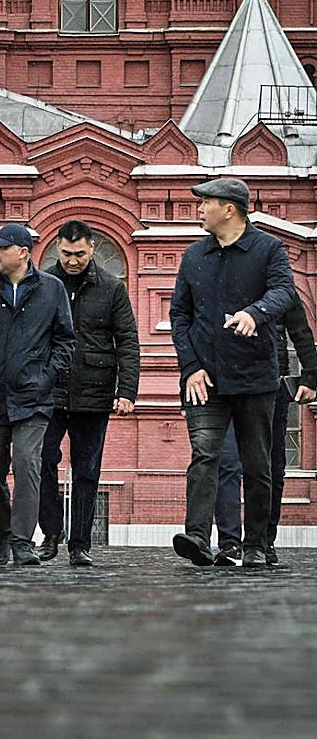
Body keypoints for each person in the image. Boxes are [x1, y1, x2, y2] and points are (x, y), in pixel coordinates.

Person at [169, 177, 295, 568]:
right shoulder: (194, 256)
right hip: (205, 379)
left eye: (206, 203)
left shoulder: (268, 249)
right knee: (204, 455)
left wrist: (254, 313)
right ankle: (198, 538)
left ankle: (255, 544)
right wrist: (190, 366)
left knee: (257, 462)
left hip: (256, 376)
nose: (199, 209)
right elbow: (179, 314)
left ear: (230, 209)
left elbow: (284, 291)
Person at [0, 223, 75, 566]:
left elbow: (66, 340)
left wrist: (48, 376)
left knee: (28, 465)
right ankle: (1, 533)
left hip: (33, 398)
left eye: (0, 247)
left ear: (23, 252)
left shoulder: (51, 289)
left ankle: (23, 540)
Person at [36, 220, 140, 566]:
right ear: (57, 248)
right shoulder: (44, 284)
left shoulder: (112, 288)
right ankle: (50, 534)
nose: (73, 260)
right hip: (49, 391)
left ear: (92, 249)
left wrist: (126, 390)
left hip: (94, 391)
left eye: (80, 253)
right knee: (41, 461)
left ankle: (79, 544)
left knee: (87, 469)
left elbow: (127, 341)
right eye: (66, 253)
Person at [212, 292, 317, 565]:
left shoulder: (280, 286)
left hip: (272, 385)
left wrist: (311, 376)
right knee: (228, 462)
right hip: (228, 383)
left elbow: (301, 332)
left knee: (271, 465)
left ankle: (263, 541)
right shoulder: (227, 276)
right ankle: (230, 544)